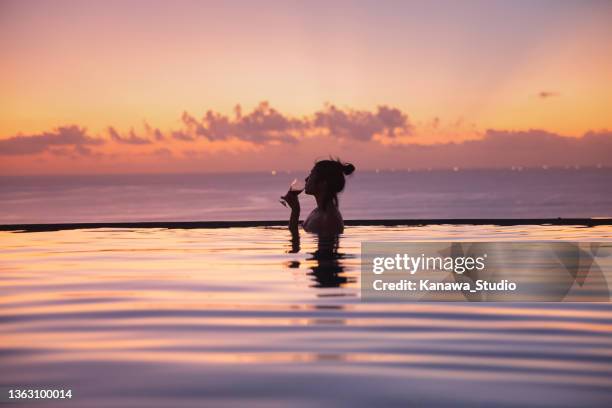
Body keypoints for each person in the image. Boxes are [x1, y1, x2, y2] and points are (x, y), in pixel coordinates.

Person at [281, 158, 355, 236]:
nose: (306, 179)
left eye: (311, 175)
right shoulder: (318, 211)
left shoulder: (329, 220)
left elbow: (295, 241)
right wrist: (295, 211)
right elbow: (294, 232)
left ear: (323, 183)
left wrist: (296, 211)